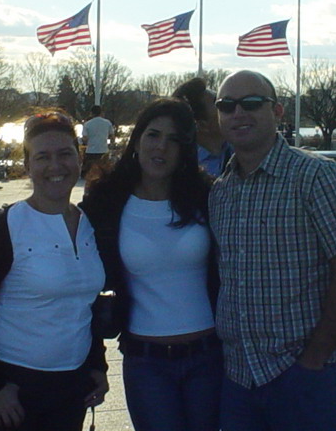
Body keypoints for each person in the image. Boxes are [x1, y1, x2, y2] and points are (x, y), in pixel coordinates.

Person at [209, 70, 336, 431]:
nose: (239, 113)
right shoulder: (221, 192)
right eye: (227, 105)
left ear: (278, 111)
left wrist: (314, 359)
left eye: (252, 103)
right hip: (239, 378)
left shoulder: (316, 177)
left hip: (306, 377)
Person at [0, 110, 108, 431]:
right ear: (28, 164)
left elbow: (85, 306)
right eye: (42, 157)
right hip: (8, 391)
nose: (55, 166)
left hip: (68, 389)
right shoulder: (4, 228)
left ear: (78, 159)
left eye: (64, 154)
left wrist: (96, 365)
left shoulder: (92, 226)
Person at [81, 98, 222, 431]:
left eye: (174, 139)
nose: (162, 147)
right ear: (138, 139)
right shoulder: (107, 201)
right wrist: (6, 217)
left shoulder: (207, 196)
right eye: (153, 135)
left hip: (209, 357)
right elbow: (65, 234)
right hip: (146, 361)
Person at [172, 76, 232, 177]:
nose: (231, 109)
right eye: (219, 105)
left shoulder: (244, 151)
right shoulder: (182, 167)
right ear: (201, 125)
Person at [81, 105, 115, 179]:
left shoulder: (87, 124)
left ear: (91, 113)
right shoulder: (107, 123)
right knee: (104, 173)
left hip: (91, 151)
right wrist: (111, 146)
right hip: (103, 150)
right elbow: (112, 136)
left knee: (90, 174)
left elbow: (85, 138)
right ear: (101, 112)